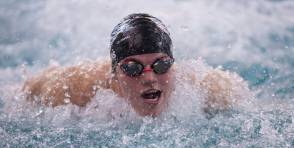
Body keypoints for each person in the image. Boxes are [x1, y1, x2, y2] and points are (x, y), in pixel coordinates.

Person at [22, 13, 248, 117]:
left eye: (160, 65)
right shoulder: (75, 89)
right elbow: (23, 93)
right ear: (115, 73)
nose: (149, 78)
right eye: (132, 68)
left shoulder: (211, 88)